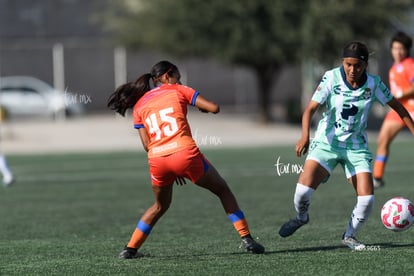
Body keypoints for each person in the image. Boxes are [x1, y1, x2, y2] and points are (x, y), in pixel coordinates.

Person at [107, 60, 264, 259]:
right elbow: (214, 108)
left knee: (159, 206)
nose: (178, 81)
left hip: (158, 159)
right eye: (177, 77)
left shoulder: (140, 105)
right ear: (167, 76)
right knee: (223, 190)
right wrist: (204, 108)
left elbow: (147, 145)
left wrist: (172, 168)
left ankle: (129, 249)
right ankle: (247, 239)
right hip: (184, 153)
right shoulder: (179, 90)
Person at [278, 42, 414, 251]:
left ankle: (350, 236)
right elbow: (310, 109)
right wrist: (305, 136)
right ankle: (301, 217)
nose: (352, 70)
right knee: (302, 192)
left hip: (356, 148)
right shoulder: (331, 77)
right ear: (343, 62)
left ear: (365, 65)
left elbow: (399, 109)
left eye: (357, 66)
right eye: (348, 65)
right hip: (326, 143)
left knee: (367, 198)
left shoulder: (374, 84)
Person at [373, 31, 414, 188]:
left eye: (401, 48)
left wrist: (399, 93)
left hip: (411, 108)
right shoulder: (394, 67)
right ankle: (377, 177)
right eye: (395, 48)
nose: (397, 52)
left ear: (407, 50)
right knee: (383, 140)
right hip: (398, 110)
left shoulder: (409, 65)